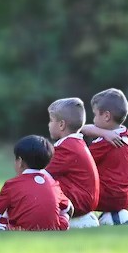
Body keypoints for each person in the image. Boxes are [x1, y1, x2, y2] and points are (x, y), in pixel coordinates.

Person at [0, 135, 70, 231]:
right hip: (53, 229)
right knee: (63, 215)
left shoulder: (12, 185)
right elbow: (69, 208)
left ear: (20, 161)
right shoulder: (53, 183)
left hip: (21, 229)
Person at [80, 87, 128, 226]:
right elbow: (87, 129)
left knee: (69, 183)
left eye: (95, 115)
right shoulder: (124, 134)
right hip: (124, 199)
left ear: (106, 116)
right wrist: (102, 132)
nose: (93, 119)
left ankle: (76, 215)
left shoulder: (106, 142)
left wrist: (99, 133)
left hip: (109, 197)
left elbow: (81, 160)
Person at [45, 96, 101, 229]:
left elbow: (41, 174)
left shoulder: (67, 148)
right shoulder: (76, 143)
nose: (49, 124)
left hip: (78, 204)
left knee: (37, 184)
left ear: (61, 125)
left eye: (51, 120)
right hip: (85, 203)